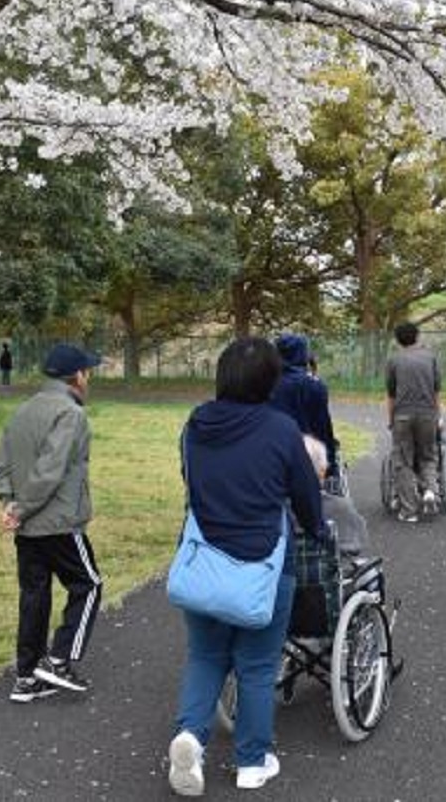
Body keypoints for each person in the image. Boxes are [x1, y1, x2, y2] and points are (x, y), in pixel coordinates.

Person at [168, 337, 326, 796]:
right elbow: (306, 498)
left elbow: (191, 481)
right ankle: (252, 762)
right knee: (256, 666)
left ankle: (190, 738)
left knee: (205, 656)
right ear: (270, 381)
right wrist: (317, 530)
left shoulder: (195, 425)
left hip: (202, 562)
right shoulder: (280, 429)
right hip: (263, 566)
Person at [0, 342, 104, 703]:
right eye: (88, 371)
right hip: (59, 522)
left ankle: (26, 677)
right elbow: (49, 472)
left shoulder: (24, 410)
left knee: (34, 595)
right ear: (79, 376)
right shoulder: (70, 414)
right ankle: (60, 658)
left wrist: (9, 503)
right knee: (89, 585)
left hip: (28, 526)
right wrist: (20, 508)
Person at [384, 321, 441, 523]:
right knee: (428, 455)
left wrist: (390, 419)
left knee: (403, 460)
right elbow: (436, 391)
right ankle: (430, 492)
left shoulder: (394, 360)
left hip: (402, 415)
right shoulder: (430, 358)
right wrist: (438, 416)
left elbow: (391, 395)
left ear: (398, 340)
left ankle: (409, 510)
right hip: (427, 414)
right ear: (417, 336)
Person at [267, 333, 341, 481]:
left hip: (272, 456)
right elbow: (322, 426)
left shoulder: (266, 383)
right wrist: (330, 464)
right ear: (302, 354)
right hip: (307, 457)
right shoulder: (314, 385)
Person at [304, 435, 367, 556]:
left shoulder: (276, 509)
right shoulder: (340, 506)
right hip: (325, 570)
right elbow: (357, 546)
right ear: (322, 472)